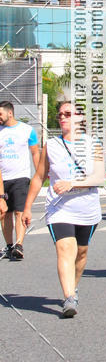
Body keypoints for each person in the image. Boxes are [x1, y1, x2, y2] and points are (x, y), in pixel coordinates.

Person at [21, 102, 104, 317]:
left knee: (81, 253)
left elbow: (98, 178)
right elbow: (39, 177)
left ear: (80, 118)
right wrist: (27, 207)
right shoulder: (51, 145)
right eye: (60, 114)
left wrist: (72, 183)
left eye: (68, 114)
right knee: (66, 248)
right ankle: (69, 298)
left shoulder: (93, 144)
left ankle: (72, 289)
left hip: (87, 208)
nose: (62, 117)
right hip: (59, 209)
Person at [0, 101, 40, 260]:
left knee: (19, 212)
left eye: (0, 114)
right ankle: (9, 246)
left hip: (21, 177)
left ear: (10, 113)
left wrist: (39, 174)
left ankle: (19, 244)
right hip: (3, 178)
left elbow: (36, 153)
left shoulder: (27, 130)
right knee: (4, 213)